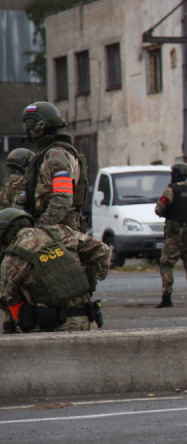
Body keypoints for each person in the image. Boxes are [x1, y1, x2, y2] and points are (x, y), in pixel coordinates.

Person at [0, 207, 109, 333]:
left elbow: (8, 297)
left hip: (51, 329)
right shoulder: (61, 232)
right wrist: (87, 281)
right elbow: (103, 251)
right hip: (88, 322)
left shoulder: (13, 257)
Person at [21, 102, 88, 230]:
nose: (28, 130)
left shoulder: (57, 155)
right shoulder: (46, 155)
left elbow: (63, 197)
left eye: (29, 124)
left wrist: (41, 226)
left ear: (41, 126)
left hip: (59, 232)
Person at [154, 162, 187, 308]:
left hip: (174, 234)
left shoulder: (170, 190)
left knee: (166, 263)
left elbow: (159, 209)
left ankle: (167, 297)